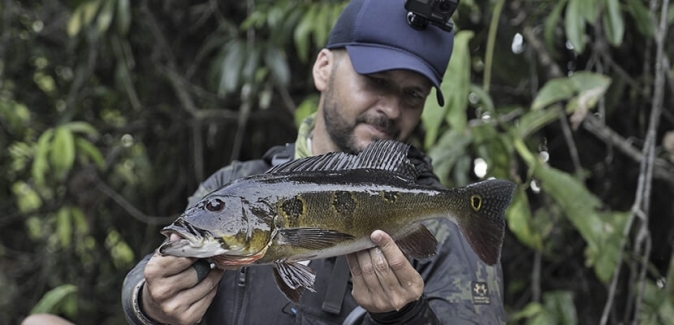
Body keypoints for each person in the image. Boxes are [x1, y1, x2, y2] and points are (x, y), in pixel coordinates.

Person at [122, 0, 506, 324]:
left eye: (413, 95)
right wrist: (149, 302)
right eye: (376, 81)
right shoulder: (235, 182)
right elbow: (150, 270)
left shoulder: (451, 226)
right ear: (324, 67)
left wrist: (407, 317)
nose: (390, 108)